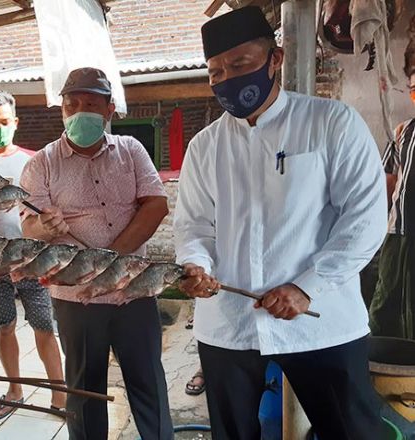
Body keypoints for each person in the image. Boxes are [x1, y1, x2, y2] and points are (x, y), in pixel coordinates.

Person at [173, 7, 388, 440]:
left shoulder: (332, 124)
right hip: (229, 324)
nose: (227, 79)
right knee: (233, 433)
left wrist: (307, 286)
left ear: (276, 58)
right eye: (215, 72)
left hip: (321, 322)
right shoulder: (204, 147)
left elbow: (364, 219)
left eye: (240, 65)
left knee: (353, 431)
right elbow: (194, 225)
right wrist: (196, 265)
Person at [20, 67, 173, 440]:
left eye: (90, 104)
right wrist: (45, 227)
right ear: (61, 110)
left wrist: (109, 259)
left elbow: (155, 205)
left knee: (148, 384)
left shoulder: (132, 151)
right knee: (85, 393)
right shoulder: (41, 164)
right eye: (71, 104)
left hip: (133, 290)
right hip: (76, 300)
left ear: (109, 110)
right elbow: (29, 226)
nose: (79, 111)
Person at [0, 90, 66, 419]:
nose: (0, 128)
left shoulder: (35, 160)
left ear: (16, 122)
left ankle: (60, 394)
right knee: (5, 326)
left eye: (6, 122)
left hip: (33, 259)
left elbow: (51, 213)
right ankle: (14, 390)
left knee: (43, 326)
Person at [369, 48, 415, 340]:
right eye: (413, 91)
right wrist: (376, 227)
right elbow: (389, 181)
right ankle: (379, 362)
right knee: (385, 299)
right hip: (398, 231)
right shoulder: (402, 132)